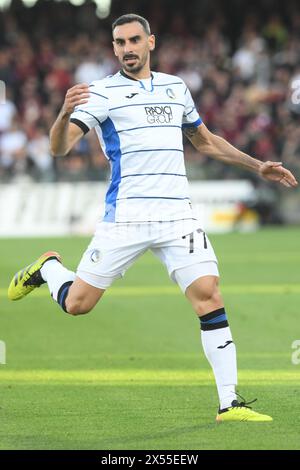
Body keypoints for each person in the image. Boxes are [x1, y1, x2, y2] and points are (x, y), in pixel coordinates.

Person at [8, 13, 298, 422]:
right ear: (113, 49)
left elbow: (206, 141)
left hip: (178, 216)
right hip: (125, 217)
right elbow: (60, 149)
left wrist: (258, 166)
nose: (127, 48)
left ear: (151, 42)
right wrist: (61, 114)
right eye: (119, 42)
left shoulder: (175, 88)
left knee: (209, 295)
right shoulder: (101, 93)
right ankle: (50, 268)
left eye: (133, 40)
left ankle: (229, 403)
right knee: (77, 305)